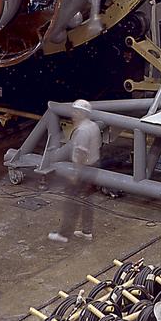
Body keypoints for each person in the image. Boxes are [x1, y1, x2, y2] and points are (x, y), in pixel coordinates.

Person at [48, 99, 102, 244]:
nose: (72, 114)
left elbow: (80, 154)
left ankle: (64, 234)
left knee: (72, 202)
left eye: (75, 111)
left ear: (80, 113)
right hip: (94, 166)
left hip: (83, 169)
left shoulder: (82, 131)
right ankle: (87, 231)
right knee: (87, 200)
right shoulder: (94, 126)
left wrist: (75, 174)